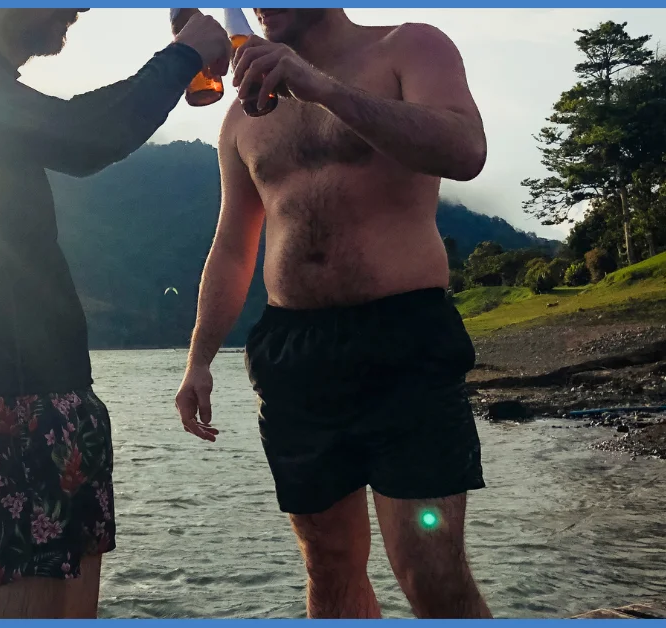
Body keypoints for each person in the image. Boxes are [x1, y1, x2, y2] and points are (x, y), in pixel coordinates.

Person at [0, 8, 231, 619]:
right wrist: (181, 58)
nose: (82, 7)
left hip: (59, 404)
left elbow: (72, 127)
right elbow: (81, 136)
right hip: (3, 414)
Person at [174, 8, 492, 619]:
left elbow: (465, 148)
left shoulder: (409, 48)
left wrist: (320, 87)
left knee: (431, 571)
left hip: (405, 341)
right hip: (295, 354)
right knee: (328, 567)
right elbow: (235, 246)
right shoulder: (243, 113)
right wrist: (198, 360)